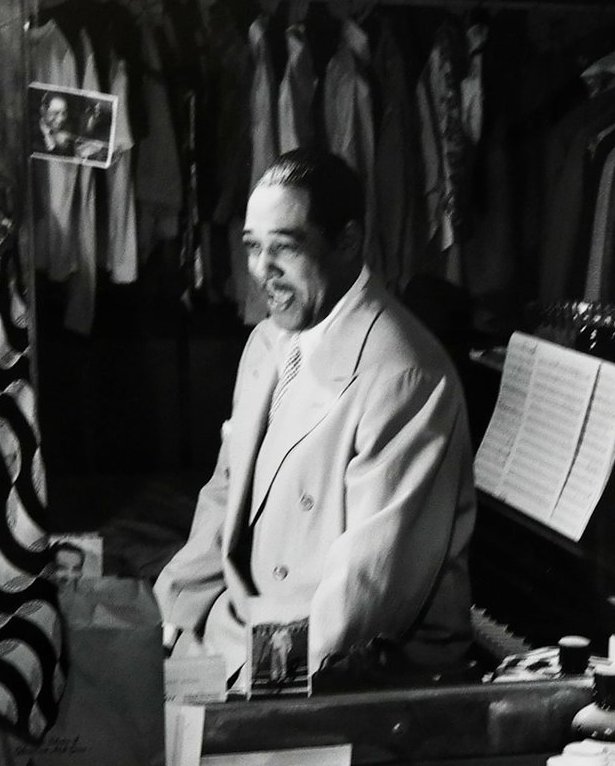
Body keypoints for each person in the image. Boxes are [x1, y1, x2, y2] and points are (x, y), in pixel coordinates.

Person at [154, 149, 475, 686]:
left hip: (338, 672)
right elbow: (224, 496)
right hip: (238, 631)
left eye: (284, 247)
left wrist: (237, 698)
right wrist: (168, 624)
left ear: (347, 241)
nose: (260, 271)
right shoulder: (266, 341)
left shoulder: (404, 376)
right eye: (253, 247)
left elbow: (363, 598)